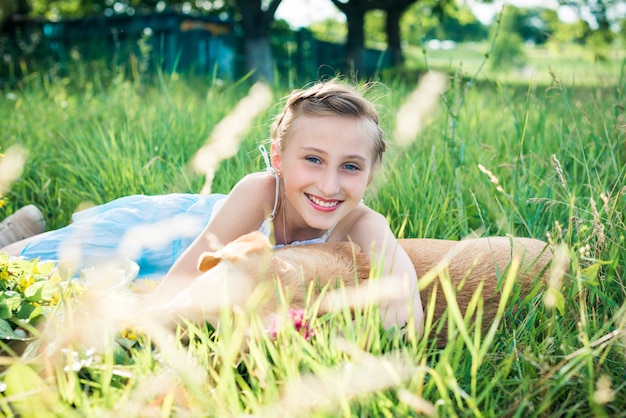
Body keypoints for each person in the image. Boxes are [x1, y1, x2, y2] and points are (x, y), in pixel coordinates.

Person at [1, 79, 424, 333]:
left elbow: (403, 291)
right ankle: (16, 239)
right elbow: (192, 261)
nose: (329, 185)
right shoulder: (262, 189)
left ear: (370, 173)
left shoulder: (363, 221)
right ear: (278, 159)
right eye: (312, 159)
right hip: (175, 230)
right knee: (70, 256)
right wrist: (149, 322)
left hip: (219, 272)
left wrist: (395, 350)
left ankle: (28, 231)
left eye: (350, 166)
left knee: (102, 291)